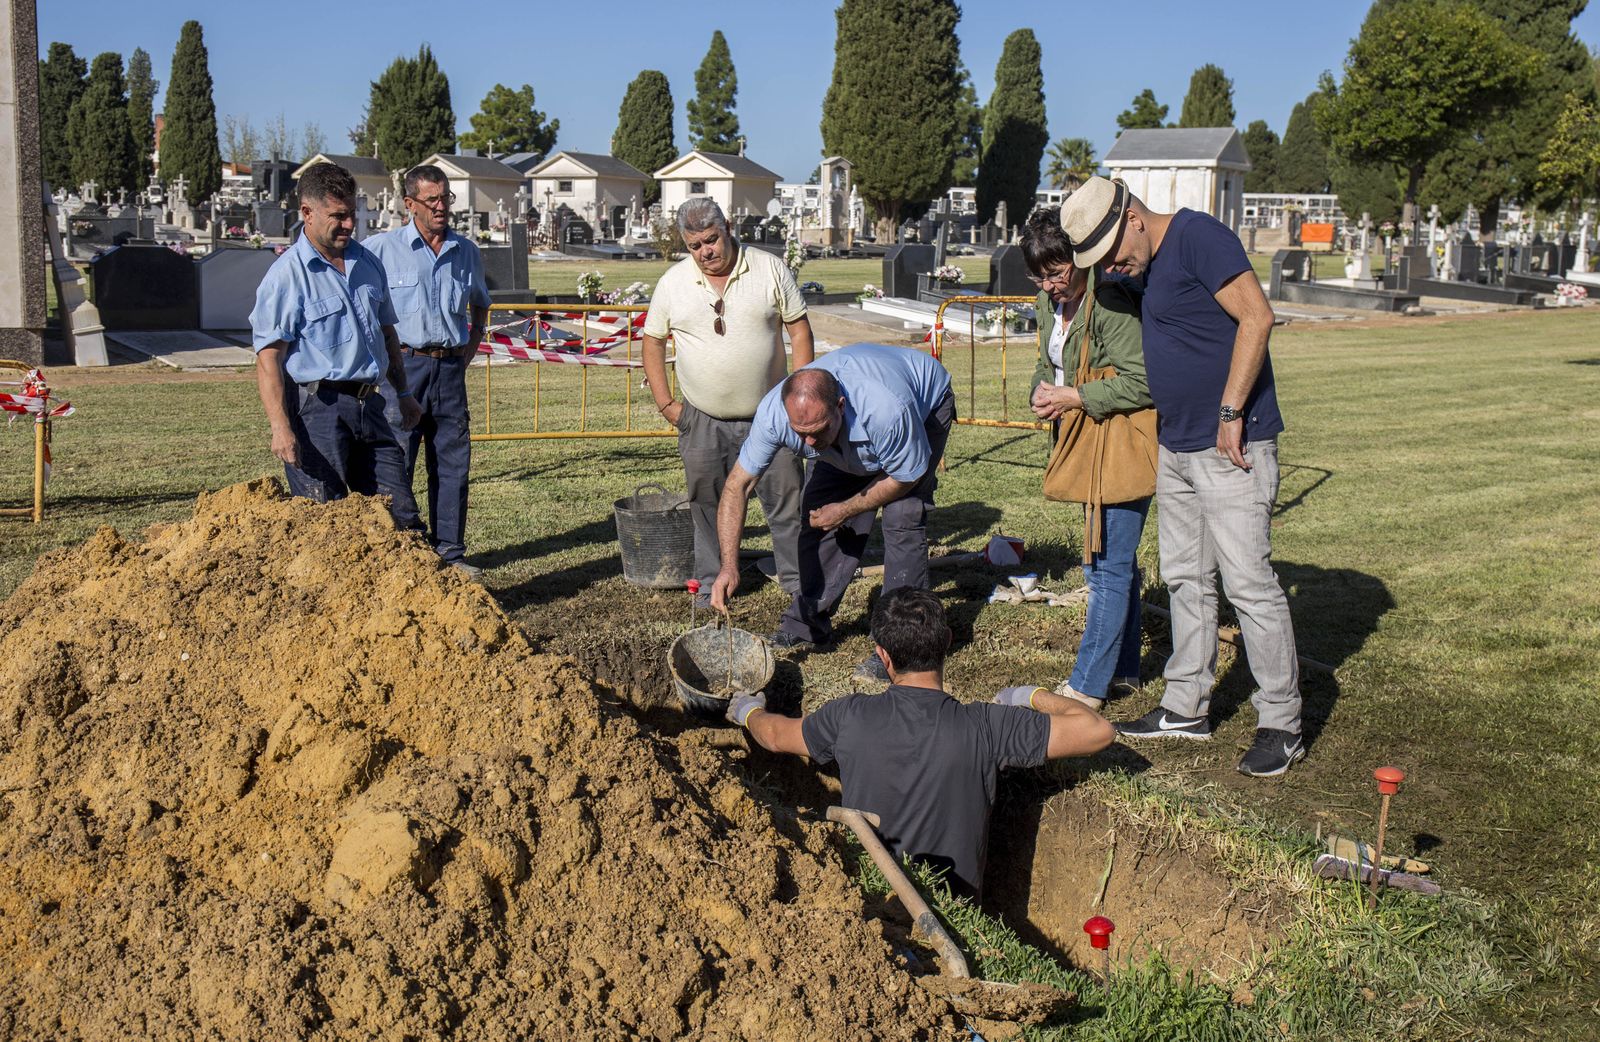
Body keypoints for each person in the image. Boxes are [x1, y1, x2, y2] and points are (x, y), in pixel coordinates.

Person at [1060, 176, 1305, 777]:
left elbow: (1257, 317)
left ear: (1135, 217)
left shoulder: (1201, 237)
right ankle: (1185, 705)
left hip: (1230, 444)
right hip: (1176, 444)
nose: (1115, 267)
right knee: (1185, 577)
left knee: (1248, 583)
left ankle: (1282, 720)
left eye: (1115, 253)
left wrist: (1231, 411)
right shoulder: (1140, 264)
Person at [726, 586, 1114, 899]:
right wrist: (1027, 695)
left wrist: (747, 711)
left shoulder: (848, 717)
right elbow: (1097, 730)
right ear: (946, 641)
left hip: (872, 905)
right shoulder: (988, 726)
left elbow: (775, 736)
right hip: (958, 915)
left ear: (883, 656)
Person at [709, 343, 956, 681]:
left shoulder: (887, 410)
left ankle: (899, 649)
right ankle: (807, 621)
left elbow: (904, 477)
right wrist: (728, 565)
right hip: (855, 432)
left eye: (818, 431)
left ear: (840, 406)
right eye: (801, 434)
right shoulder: (775, 416)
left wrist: (848, 508)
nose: (809, 444)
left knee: (903, 518)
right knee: (816, 516)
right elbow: (737, 485)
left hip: (924, 405)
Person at [642, 198, 814, 603]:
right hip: (702, 418)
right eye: (694, 246)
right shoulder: (673, 282)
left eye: (711, 240)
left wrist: (799, 399)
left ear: (729, 228)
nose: (705, 252)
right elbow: (651, 342)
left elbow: (800, 332)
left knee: (787, 503)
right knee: (705, 504)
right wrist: (668, 404)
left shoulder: (769, 268)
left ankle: (798, 584)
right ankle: (711, 581)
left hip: (771, 415)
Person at [1022, 205, 1154, 712]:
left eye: (1056, 274)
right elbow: (1047, 360)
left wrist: (1074, 397)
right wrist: (1042, 392)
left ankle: (1087, 688)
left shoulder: (1112, 302)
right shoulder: (1047, 303)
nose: (1050, 286)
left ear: (1080, 257)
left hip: (1117, 444)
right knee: (1114, 561)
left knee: (1106, 568)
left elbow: (1143, 381)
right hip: (1084, 443)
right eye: (1039, 277)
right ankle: (1124, 670)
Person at [250, 162, 422, 529]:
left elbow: (387, 334)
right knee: (325, 522)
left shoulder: (368, 262)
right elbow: (269, 360)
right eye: (338, 216)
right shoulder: (287, 277)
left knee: (399, 515)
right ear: (307, 214)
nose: (348, 225)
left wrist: (404, 393)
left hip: (370, 405)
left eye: (352, 214)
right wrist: (280, 427)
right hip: (317, 411)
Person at [366, 165, 491, 576]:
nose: (441, 208)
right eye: (432, 200)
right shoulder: (381, 251)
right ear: (409, 204)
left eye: (446, 199)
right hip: (404, 370)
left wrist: (467, 352)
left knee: (453, 463)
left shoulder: (465, 251)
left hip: (450, 370)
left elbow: (480, 305)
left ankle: (451, 555)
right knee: (396, 461)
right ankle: (401, 555)